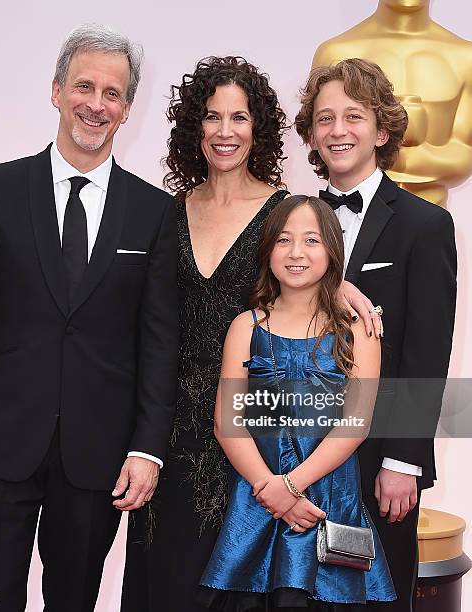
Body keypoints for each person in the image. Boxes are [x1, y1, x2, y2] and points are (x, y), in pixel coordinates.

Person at [0, 24, 178, 612]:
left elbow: (159, 343)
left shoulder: (154, 212)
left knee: (74, 601)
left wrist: (147, 449)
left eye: (112, 94)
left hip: (99, 453)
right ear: (57, 90)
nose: (96, 104)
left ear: (127, 109)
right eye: (84, 86)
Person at [121, 56, 381, 612]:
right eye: (212, 118)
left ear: (257, 128)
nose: (225, 132)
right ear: (196, 128)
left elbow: (306, 268)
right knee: (167, 583)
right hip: (174, 431)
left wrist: (343, 288)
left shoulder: (278, 211)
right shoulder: (167, 214)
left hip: (254, 438)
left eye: (239, 118)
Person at [294, 58, 457, 611]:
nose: (338, 130)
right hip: (295, 452)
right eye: (325, 118)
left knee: (375, 600)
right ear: (312, 134)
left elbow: (427, 352)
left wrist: (403, 461)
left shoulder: (424, 225)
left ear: (382, 130)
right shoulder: (289, 222)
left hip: (378, 462)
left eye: (353, 116)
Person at [199, 194, 396, 609]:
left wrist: (292, 485)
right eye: (284, 240)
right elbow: (226, 422)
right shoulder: (245, 326)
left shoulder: (357, 331)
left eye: (311, 240)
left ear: (332, 252)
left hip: (328, 501)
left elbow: (355, 425)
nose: (296, 253)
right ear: (268, 248)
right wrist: (271, 489)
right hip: (258, 498)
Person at [311, 0, 472, 207]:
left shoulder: (465, 57)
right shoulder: (335, 52)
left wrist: (366, 149)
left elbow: (463, 157)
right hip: (351, 217)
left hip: (431, 221)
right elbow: (322, 140)